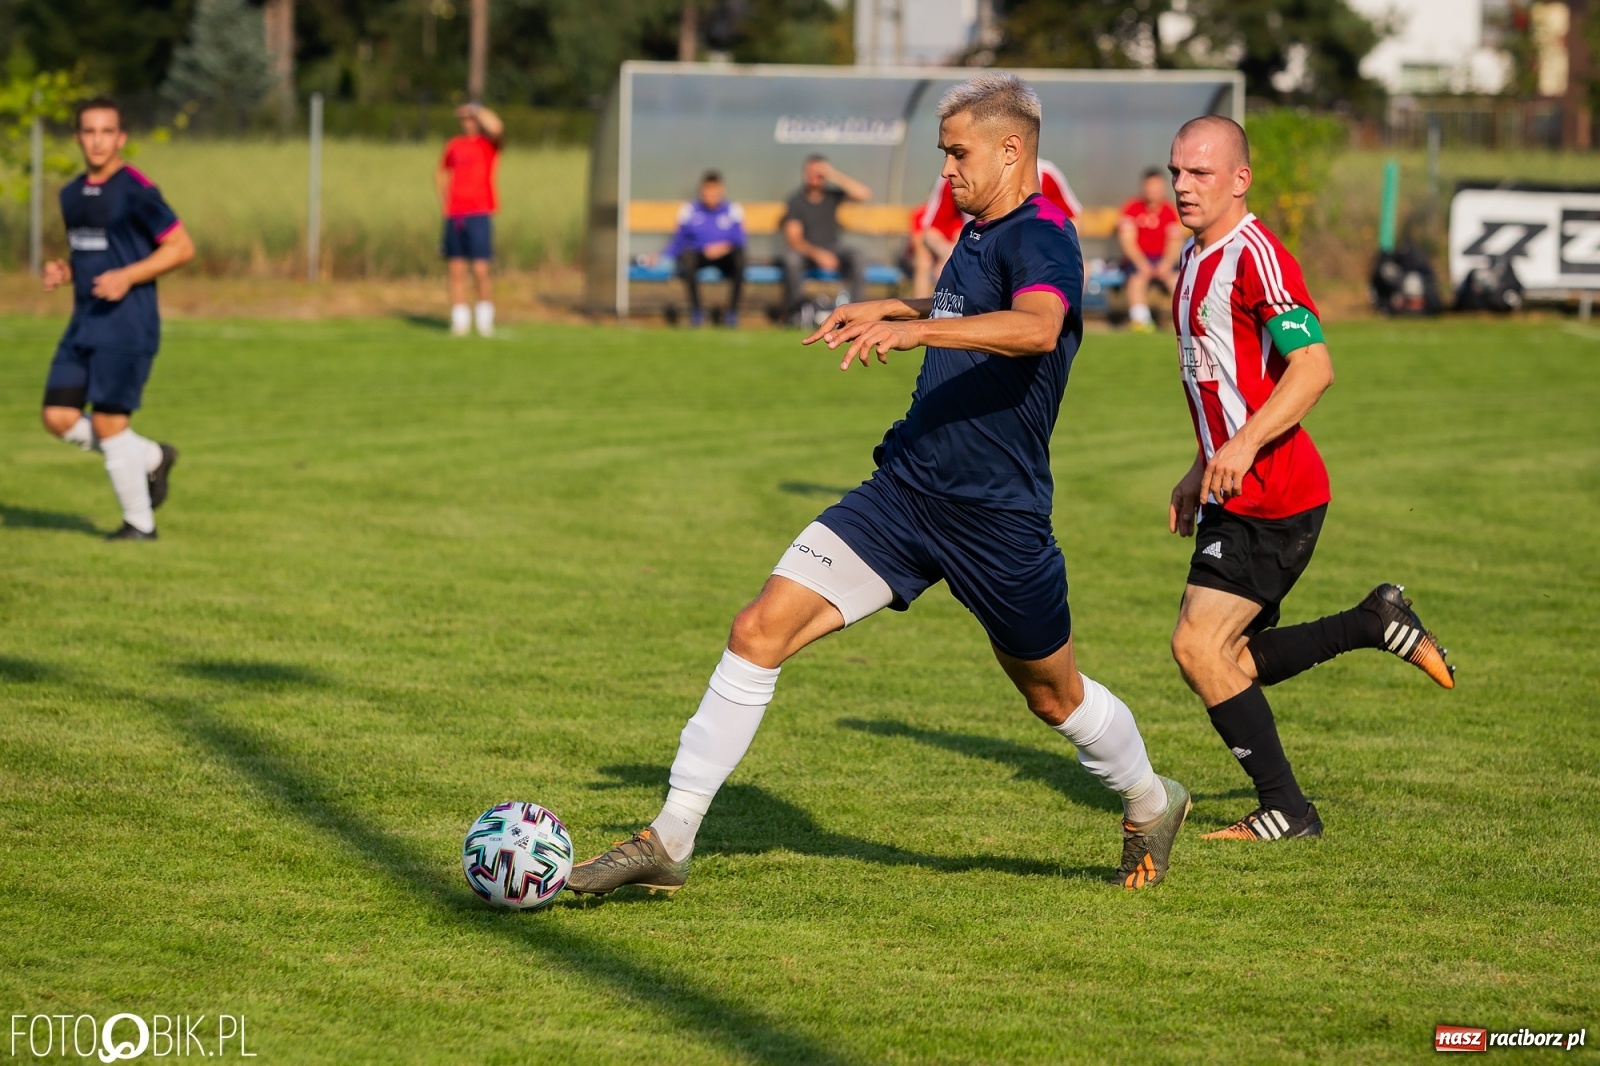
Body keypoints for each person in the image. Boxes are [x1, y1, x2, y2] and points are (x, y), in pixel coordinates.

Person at [567, 73, 1191, 899]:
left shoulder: (1043, 233)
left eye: (957, 153)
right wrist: (900, 306)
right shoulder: (980, 228)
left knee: (1053, 696)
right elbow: (970, 300)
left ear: (1012, 150)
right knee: (759, 629)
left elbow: (1039, 325)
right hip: (903, 492)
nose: (946, 170)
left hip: (995, 517)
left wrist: (920, 329)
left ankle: (1152, 799)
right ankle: (669, 837)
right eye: (942, 153)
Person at [1164, 115, 1455, 843]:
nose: (1182, 185)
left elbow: (1314, 367)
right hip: (1233, 489)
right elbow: (1224, 381)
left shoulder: (1256, 256)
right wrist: (1200, 466)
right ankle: (1371, 622)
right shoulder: (1194, 259)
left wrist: (1242, 447)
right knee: (1222, 659)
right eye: (1176, 171)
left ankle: (1289, 811)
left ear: (1240, 179)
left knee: (1200, 649)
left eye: (1201, 173)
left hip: (1276, 494)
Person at [39, 97, 194, 541]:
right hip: (83, 322)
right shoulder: (71, 194)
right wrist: (65, 271)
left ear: (121, 138)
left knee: (109, 424)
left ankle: (140, 525)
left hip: (127, 324)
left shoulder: (137, 190)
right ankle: (149, 458)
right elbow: (91, 253)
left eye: (107, 131)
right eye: (89, 131)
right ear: (78, 138)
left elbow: (181, 247)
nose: (98, 140)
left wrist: (128, 276)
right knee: (58, 417)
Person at [909, 160, 1082, 298]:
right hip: (973, 255)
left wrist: (1051, 251)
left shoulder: (1045, 174)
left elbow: (1071, 220)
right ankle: (926, 324)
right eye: (947, 153)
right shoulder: (951, 178)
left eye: (959, 152)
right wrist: (948, 252)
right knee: (931, 262)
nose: (947, 168)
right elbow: (931, 232)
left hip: (1028, 259)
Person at [436, 103, 504, 337]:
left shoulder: (488, 145)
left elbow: (497, 126)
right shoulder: (454, 145)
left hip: (479, 212)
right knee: (455, 269)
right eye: (464, 119)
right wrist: (444, 201)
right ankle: (459, 321)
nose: (468, 123)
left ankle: (485, 320)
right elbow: (440, 172)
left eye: (472, 119)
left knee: (480, 269)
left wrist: (477, 109)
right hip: (456, 213)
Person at [779, 155, 871, 321]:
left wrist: (832, 174)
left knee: (857, 256)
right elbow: (794, 239)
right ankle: (796, 312)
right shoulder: (796, 201)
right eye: (811, 172)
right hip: (807, 252)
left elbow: (863, 194)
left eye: (819, 172)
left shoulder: (832, 196)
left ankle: (856, 312)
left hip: (833, 248)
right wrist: (818, 255)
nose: (815, 176)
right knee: (791, 259)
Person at [656, 170, 747, 327]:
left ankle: (731, 311)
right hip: (700, 255)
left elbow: (740, 239)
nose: (709, 195)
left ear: (720, 190)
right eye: (706, 191)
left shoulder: (733, 209)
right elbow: (678, 240)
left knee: (740, 259)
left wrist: (722, 247)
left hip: (725, 255)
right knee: (688, 259)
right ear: (701, 190)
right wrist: (661, 256)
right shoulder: (689, 210)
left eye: (713, 191)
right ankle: (697, 310)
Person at [1117, 167, 1182, 332]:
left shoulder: (1169, 211)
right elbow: (1127, 242)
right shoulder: (1132, 208)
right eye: (1149, 186)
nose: (1152, 190)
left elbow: (1175, 242)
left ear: (1163, 188)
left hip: (1162, 260)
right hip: (1138, 260)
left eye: (1156, 186)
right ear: (1143, 187)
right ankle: (1141, 322)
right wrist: (1141, 263)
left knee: (1177, 280)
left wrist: (1166, 264)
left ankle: (1184, 320)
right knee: (1136, 280)